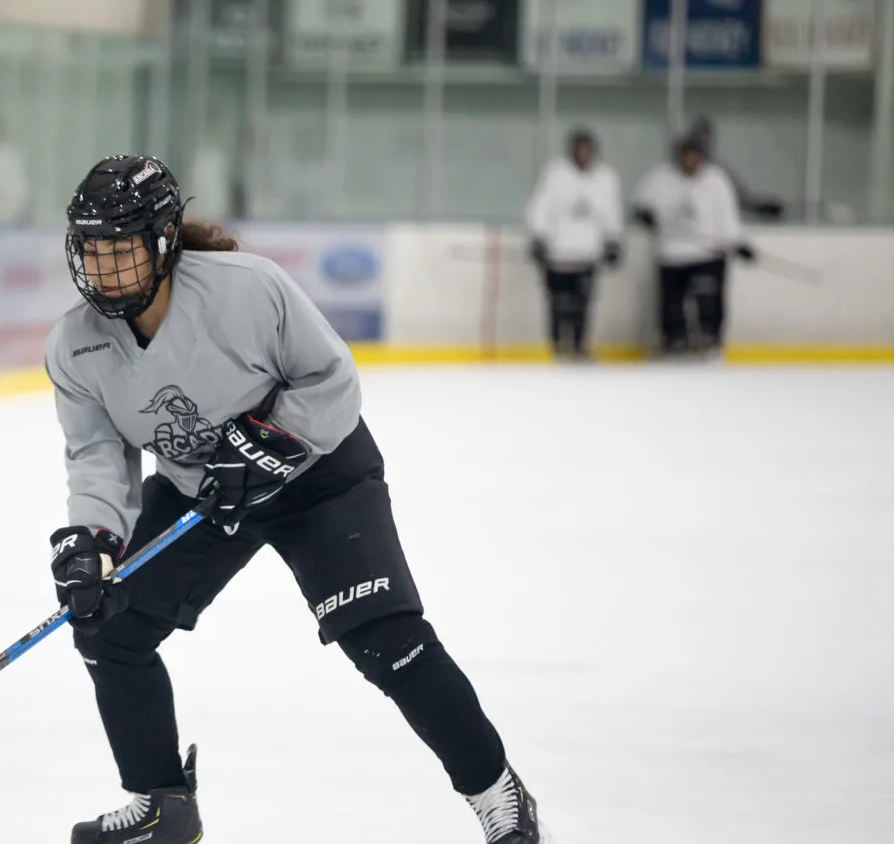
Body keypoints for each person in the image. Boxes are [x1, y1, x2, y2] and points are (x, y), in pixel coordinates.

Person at [42, 154, 549, 844]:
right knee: (107, 628)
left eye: (121, 251)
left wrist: (269, 440)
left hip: (320, 478)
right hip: (206, 496)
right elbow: (99, 457)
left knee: (386, 642)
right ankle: (164, 802)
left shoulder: (246, 291)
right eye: (92, 253)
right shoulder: (75, 347)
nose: (105, 272)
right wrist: (91, 544)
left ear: (163, 244)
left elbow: (333, 381)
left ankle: (498, 792)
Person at [632, 135, 756, 358]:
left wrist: (739, 242)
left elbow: (727, 217)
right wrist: (644, 215)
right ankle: (674, 340)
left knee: (708, 300)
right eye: (685, 156)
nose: (689, 161)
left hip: (707, 254)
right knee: (671, 304)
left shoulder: (716, 180)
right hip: (671, 254)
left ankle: (709, 340)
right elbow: (641, 205)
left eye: (694, 157)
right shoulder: (660, 178)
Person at [524, 127, 624, 361]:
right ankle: (558, 345)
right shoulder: (555, 174)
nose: (583, 154)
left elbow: (611, 211)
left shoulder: (605, 177)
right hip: (558, 254)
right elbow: (541, 206)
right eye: (579, 149)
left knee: (583, 304)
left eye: (587, 149)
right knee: (558, 303)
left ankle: (579, 345)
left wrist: (613, 240)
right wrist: (538, 237)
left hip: (588, 253)